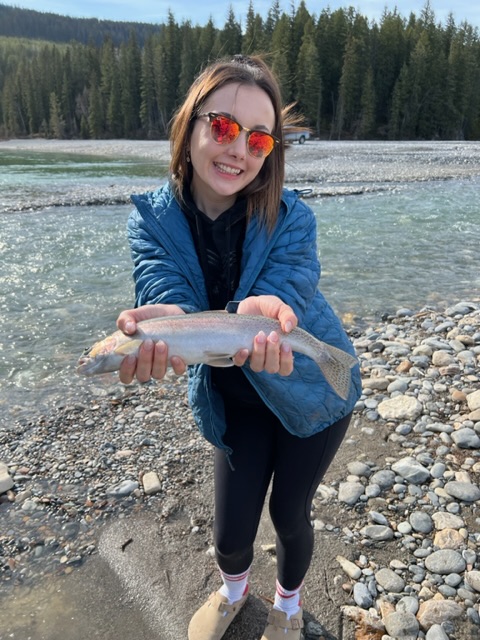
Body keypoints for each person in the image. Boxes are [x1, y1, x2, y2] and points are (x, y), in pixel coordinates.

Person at [116, 54, 362, 640]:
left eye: (259, 139)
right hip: (232, 397)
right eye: (224, 127)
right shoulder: (150, 220)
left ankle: (288, 605)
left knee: (289, 516)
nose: (239, 150)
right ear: (190, 126)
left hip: (310, 392)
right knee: (230, 533)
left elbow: (289, 285)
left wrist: (270, 307)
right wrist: (172, 322)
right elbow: (162, 288)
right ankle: (232, 591)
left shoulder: (293, 217)